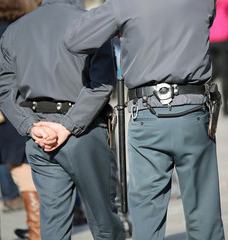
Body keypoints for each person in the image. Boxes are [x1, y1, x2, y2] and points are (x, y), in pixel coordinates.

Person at [62, 0, 225, 239]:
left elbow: (74, 40)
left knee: (146, 214)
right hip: (193, 111)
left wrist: (119, 25)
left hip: (148, 113)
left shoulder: (124, 3)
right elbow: (204, 21)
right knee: (204, 213)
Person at [0, 0, 125, 240]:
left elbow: (3, 90)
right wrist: (67, 126)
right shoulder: (89, 24)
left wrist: (30, 126)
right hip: (83, 132)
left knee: (54, 224)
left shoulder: (15, 29)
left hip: (40, 133)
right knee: (104, 220)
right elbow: (102, 84)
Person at [0, 0, 42, 239]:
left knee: (22, 174)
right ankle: (37, 232)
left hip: (1, 109)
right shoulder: (24, 29)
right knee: (25, 175)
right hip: (19, 108)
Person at [209, 0, 228, 115]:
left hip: (212, 39)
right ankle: (225, 106)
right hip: (221, 40)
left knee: (212, 74)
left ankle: (210, 102)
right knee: (224, 74)